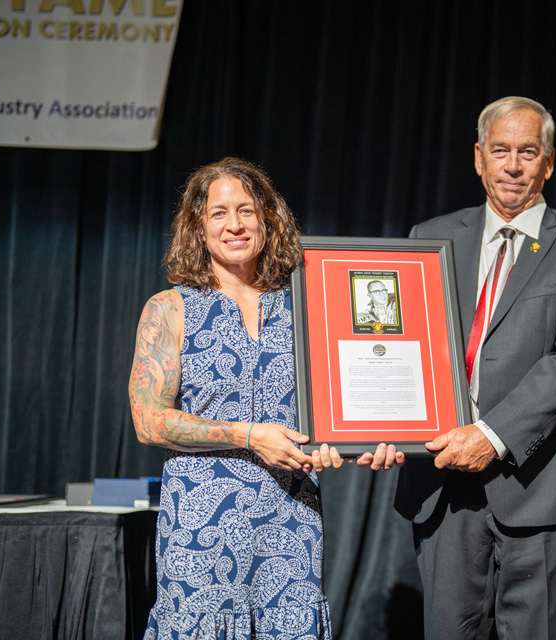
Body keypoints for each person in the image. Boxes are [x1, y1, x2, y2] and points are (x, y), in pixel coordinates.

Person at [129, 157, 402, 640]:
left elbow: (348, 398)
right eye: (218, 213)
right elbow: (149, 421)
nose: (234, 224)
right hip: (199, 530)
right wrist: (248, 435)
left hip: (289, 518)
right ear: (198, 225)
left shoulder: (308, 305)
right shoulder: (169, 309)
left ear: (268, 219)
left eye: (247, 211)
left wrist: (375, 439)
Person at [395, 97, 556, 639]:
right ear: (478, 158)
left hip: (540, 481)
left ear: (549, 162)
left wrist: (491, 436)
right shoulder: (429, 238)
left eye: (527, 152)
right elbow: (402, 351)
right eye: (500, 151)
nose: (513, 165)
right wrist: (383, 425)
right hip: (442, 478)